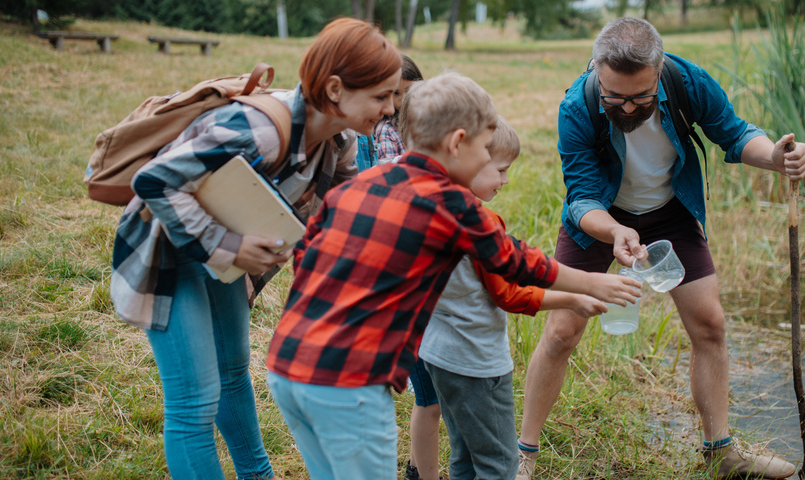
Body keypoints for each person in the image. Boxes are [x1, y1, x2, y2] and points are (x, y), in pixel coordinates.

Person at [265, 72, 641, 480]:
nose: (486, 159)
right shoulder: (450, 201)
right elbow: (516, 261)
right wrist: (591, 282)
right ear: (457, 142)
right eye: (483, 147)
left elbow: (305, 255)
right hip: (350, 382)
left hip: (286, 367)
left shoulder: (364, 182)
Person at [516, 17, 805, 480]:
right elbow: (581, 198)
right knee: (561, 333)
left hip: (669, 210)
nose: (627, 107)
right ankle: (524, 454)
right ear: (597, 70)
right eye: (615, 96)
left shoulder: (686, 80)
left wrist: (774, 156)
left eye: (639, 97)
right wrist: (613, 232)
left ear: (659, 72)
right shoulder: (579, 104)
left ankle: (721, 455)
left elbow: (734, 135)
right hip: (600, 218)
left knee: (710, 325)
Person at [108, 18, 403, 480]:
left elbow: (342, 223)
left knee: (232, 373)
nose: (389, 110)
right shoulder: (260, 130)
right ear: (335, 89)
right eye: (382, 96)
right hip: (167, 248)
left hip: (224, 254)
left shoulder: (340, 142)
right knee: (194, 402)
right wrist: (232, 246)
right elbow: (154, 182)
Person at [418, 115, 605, 480]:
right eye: (500, 170)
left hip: (437, 353)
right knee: (498, 463)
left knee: (464, 454)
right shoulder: (478, 222)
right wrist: (572, 298)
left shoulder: (427, 207)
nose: (506, 180)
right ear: (467, 158)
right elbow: (509, 294)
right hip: (475, 361)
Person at [352, 54, 444, 480]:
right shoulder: (389, 138)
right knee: (424, 395)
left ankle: (416, 468)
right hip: (401, 286)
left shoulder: (425, 136)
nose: (399, 109)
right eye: (393, 98)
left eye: (408, 97)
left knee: (428, 397)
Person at [356, 54, 425, 171]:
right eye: (395, 93)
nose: (404, 99)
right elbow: (390, 172)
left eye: (409, 90)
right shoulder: (387, 130)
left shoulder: (426, 119)